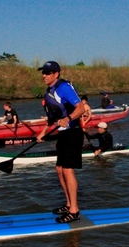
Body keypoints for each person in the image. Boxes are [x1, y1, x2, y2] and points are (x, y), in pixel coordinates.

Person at [36, 61, 85, 224]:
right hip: (63, 134)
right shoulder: (49, 92)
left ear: (56, 74)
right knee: (59, 169)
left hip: (73, 132)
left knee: (68, 170)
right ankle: (69, 203)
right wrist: (42, 133)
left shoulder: (64, 87)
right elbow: (51, 119)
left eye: (47, 73)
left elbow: (81, 108)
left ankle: (74, 211)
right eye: (43, 72)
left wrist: (68, 118)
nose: (44, 75)